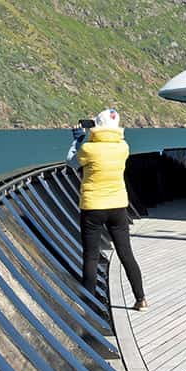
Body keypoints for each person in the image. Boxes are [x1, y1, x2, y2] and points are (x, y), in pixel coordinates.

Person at [76, 106, 147, 312]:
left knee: (91, 255)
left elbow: (73, 162)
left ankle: (87, 303)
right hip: (118, 206)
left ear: (97, 126)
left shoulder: (89, 148)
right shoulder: (123, 147)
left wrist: (79, 139)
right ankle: (141, 298)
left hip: (93, 207)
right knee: (126, 253)